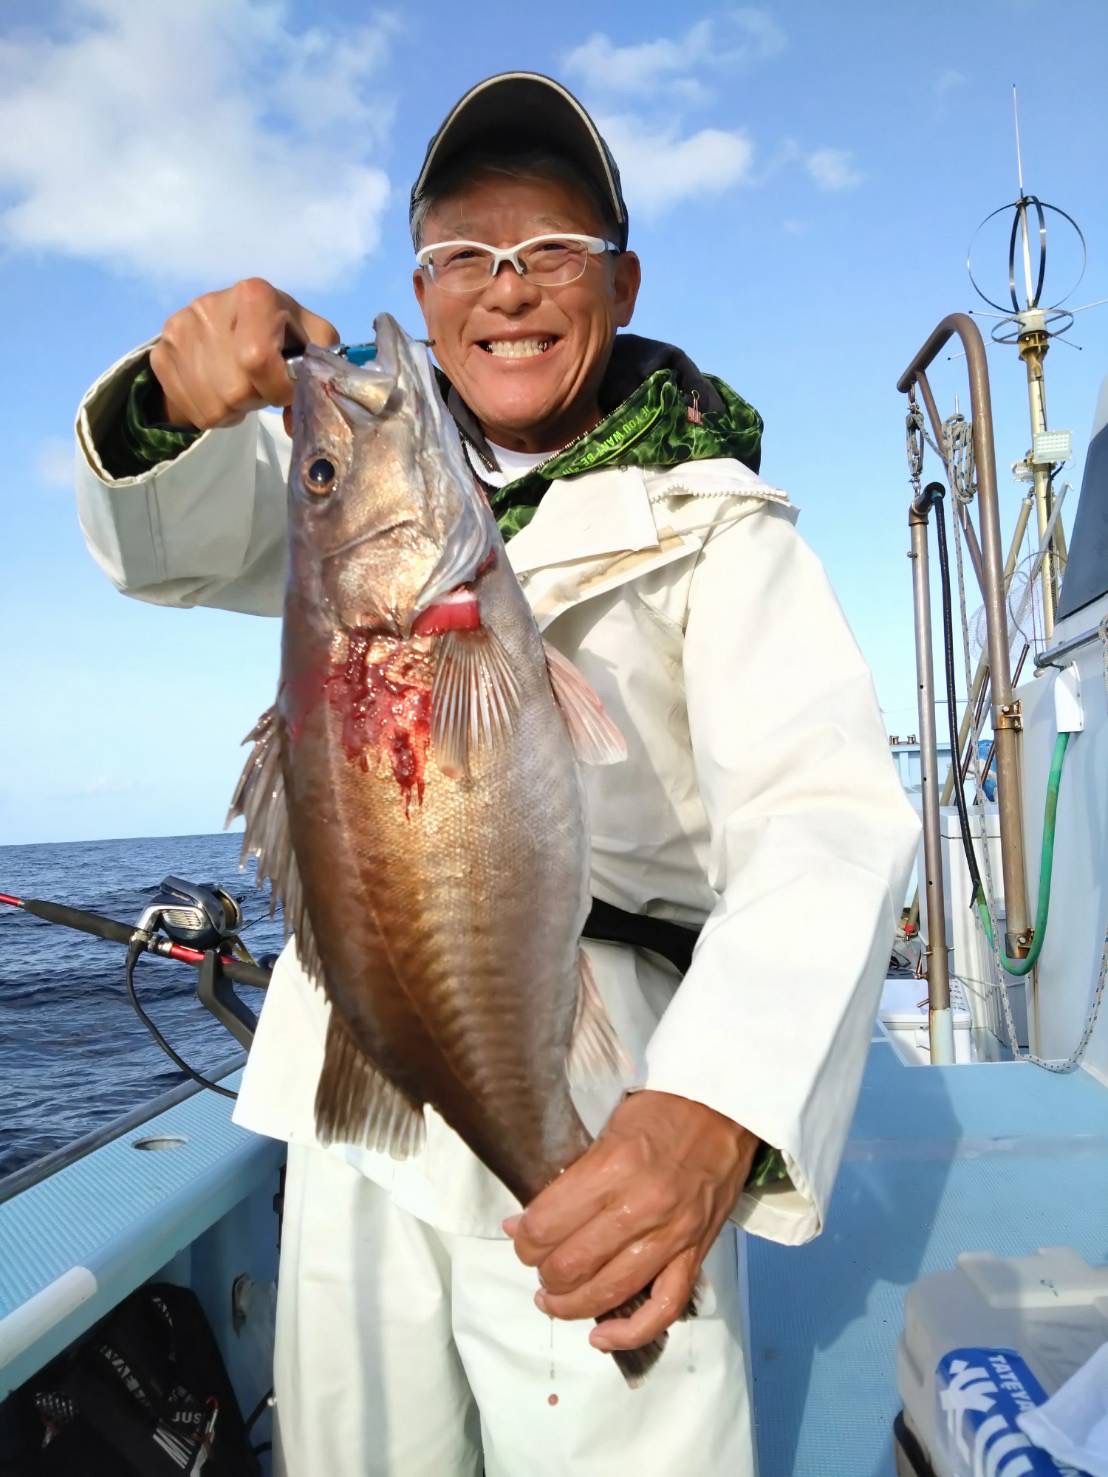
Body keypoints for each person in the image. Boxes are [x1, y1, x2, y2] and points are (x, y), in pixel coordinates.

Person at [74, 71, 920, 1477]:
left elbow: (821, 818)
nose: (507, 287)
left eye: (552, 251)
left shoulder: (722, 527)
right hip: (363, 1072)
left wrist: (717, 1104)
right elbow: (164, 540)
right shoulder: (360, 475)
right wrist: (172, 398)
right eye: (464, 254)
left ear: (623, 282)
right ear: (421, 287)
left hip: (614, 1086)